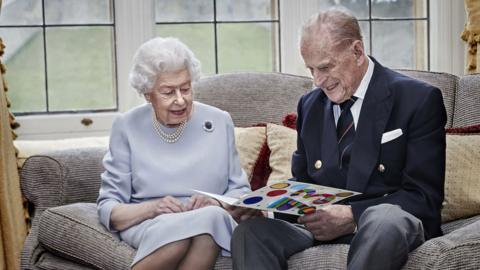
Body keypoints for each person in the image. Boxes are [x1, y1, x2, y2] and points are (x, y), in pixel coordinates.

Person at [231, 8, 446, 270]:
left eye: (325, 67)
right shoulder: (309, 105)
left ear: (356, 51)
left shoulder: (417, 100)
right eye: (311, 69)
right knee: (251, 232)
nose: (318, 80)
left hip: (385, 228)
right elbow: (304, 186)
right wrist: (266, 209)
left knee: (384, 219)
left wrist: (352, 216)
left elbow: (424, 197)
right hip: (318, 232)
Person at [97, 37, 258, 270]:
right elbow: (109, 209)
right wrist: (153, 207)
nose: (180, 100)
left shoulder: (219, 121)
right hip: (150, 221)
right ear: (147, 94)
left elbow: (240, 192)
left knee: (209, 222)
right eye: (168, 92)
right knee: (183, 236)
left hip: (210, 219)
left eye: (185, 88)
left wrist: (216, 202)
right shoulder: (127, 126)